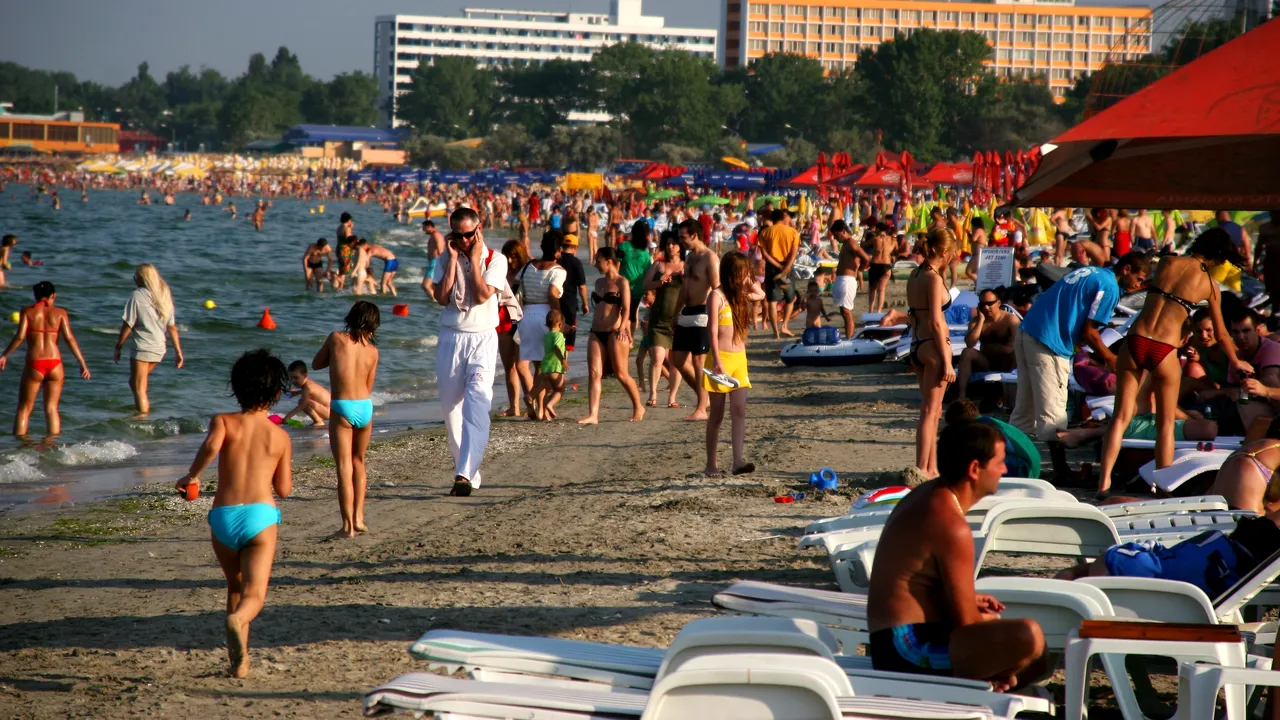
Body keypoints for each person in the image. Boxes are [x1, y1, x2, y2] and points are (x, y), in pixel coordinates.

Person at [867, 421, 1046, 687]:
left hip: (893, 640)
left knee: (1030, 654)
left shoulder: (929, 496)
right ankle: (995, 686)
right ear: (975, 469)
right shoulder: (950, 525)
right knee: (1029, 637)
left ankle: (998, 685)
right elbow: (967, 624)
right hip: (907, 648)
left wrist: (969, 599)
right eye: (1000, 462)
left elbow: (917, 584)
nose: (1005, 469)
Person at [1097, 230, 1252, 494]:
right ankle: (1163, 487)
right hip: (1164, 348)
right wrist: (1236, 361)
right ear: (1217, 256)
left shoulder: (1167, 262)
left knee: (1121, 418)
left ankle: (1103, 483)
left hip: (1134, 341)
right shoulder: (1210, 287)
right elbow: (1222, 333)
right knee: (1165, 424)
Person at [174, 349, 292, 678]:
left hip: (223, 517)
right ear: (277, 393)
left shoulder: (224, 421)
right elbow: (283, 489)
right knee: (253, 595)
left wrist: (192, 476)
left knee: (234, 587)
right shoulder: (280, 436)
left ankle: (238, 663)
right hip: (260, 517)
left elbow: (211, 446)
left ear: (236, 388)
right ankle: (239, 622)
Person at [1011, 253, 1150, 442]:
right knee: (1054, 413)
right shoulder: (1109, 287)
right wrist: (1110, 358)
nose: (1138, 286)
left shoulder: (1094, 272)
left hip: (1028, 330)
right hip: (1049, 341)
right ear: (1126, 270)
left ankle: (1015, 458)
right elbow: (1089, 332)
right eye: (1138, 279)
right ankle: (1060, 469)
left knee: (1025, 407)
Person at [431, 207, 508, 497]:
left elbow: (481, 294)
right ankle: (469, 469)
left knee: (478, 402)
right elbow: (441, 297)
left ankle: (463, 474)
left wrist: (474, 259)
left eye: (467, 235)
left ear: (478, 230)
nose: (463, 241)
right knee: (452, 416)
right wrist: (452, 260)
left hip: (483, 340)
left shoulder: (495, 260)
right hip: (451, 339)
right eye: (457, 235)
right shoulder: (444, 258)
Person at [312, 301, 380, 538]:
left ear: (351, 318)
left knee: (343, 466)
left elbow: (316, 364)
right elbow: (368, 386)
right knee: (358, 461)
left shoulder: (336, 338)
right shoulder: (373, 351)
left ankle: (347, 526)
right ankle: (359, 518)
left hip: (342, 406)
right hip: (365, 407)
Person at [0, 281, 91, 436]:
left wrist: (4, 355)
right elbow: (70, 339)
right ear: (53, 296)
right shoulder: (61, 313)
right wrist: (82, 363)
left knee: (24, 408)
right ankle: (52, 445)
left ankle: (19, 446)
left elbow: (19, 337)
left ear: (35, 296)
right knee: (51, 408)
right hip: (55, 364)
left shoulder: (27, 311)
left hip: (35, 363)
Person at [704, 251, 765, 477]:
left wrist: (748, 279)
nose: (744, 277)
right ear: (730, 273)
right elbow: (711, 331)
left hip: (739, 359)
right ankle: (711, 465)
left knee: (739, 410)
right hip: (720, 360)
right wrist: (717, 361)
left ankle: (737, 461)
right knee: (717, 415)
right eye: (740, 273)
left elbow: (760, 294)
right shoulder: (716, 296)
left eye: (746, 273)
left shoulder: (741, 295)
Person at [907, 228, 957, 478]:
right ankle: (923, 469)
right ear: (945, 252)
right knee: (930, 412)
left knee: (932, 411)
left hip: (917, 345)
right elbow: (937, 321)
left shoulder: (916, 275)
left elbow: (914, 314)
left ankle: (932, 467)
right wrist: (948, 362)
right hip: (933, 346)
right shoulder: (933, 279)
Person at [579, 247, 645, 424]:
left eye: (598, 260)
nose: (595, 264)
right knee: (594, 373)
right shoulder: (599, 282)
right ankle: (593, 415)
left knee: (621, 373)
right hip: (595, 331)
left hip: (615, 331)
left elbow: (627, 308)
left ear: (608, 261)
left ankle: (638, 406)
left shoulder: (622, 282)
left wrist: (623, 328)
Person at [114, 264, 184, 415]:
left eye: (135, 277)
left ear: (142, 278)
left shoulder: (137, 295)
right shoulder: (164, 295)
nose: (134, 280)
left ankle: (143, 420)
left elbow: (127, 324)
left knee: (139, 388)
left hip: (142, 347)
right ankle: (141, 413)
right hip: (159, 349)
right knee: (135, 384)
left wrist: (118, 346)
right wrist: (178, 352)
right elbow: (172, 327)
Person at [670, 220, 719, 422]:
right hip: (687, 311)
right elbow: (684, 287)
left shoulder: (710, 258)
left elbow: (717, 289)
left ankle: (701, 408)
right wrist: (675, 312)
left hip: (703, 312)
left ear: (695, 235)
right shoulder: (689, 258)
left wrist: (716, 318)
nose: (680, 241)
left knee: (699, 361)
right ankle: (704, 398)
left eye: (683, 237)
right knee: (678, 360)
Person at [515, 231, 567, 390]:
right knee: (545, 365)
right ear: (558, 251)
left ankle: (536, 406)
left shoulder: (527, 267)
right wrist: (558, 315)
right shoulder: (558, 270)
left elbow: (514, 284)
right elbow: (552, 293)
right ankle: (539, 407)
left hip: (526, 316)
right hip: (545, 315)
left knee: (535, 364)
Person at [642, 232, 685, 408]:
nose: (671, 246)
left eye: (674, 243)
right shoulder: (658, 264)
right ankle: (653, 394)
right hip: (659, 318)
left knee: (676, 361)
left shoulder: (686, 266)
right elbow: (644, 285)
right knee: (658, 357)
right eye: (668, 243)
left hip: (679, 319)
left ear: (681, 246)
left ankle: (672, 397)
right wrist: (658, 282)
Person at [955, 288, 1020, 400]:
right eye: (983, 304)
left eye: (990, 304)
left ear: (998, 303)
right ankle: (962, 395)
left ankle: (1011, 393)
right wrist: (980, 321)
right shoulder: (976, 321)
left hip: (1008, 362)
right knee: (967, 353)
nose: (986, 307)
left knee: (1017, 353)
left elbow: (1021, 344)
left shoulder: (1010, 320)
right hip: (987, 361)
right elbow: (970, 344)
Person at [497, 240, 532, 418]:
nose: (510, 261)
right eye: (507, 257)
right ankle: (514, 407)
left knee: (522, 366)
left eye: (514, 257)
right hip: (503, 320)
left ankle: (534, 405)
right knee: (508, 366)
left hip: (521, 321)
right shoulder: (500, 272)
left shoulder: (527, 272)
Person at [758, 209, 800, 339]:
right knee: (790, 298)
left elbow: (764, 254)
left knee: (772, 301)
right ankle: (785, 326)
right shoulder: (792, 232)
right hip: (787, 266)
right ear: (783, 217)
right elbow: (794, 252)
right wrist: (786, 267)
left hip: (772, 267)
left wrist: (778, 266)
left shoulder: (765, 232)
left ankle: (775, 331)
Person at [831, 219, 869, 340]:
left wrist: (861, 268)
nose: (835, 238)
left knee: (847, 313)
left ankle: (850, 339)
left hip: (847, 280)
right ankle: (849, 337)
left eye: (836, 235)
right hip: (843, 279)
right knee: (844, 312)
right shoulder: (847, 244)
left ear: (843, 231)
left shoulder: (851, 242)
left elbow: (866, 257)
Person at [531, 310, 568, 421]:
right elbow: (556, 347)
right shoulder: (559, 335)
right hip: (555, 367)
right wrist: (563, 360)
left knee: (549, 391)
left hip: (545, 367)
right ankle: (550, 405)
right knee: (560, 390)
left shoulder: (547, 335)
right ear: (560, 324)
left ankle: (546, 415)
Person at [616, 221, 652, 326]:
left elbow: (617, 267)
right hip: (638, 288)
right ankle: (630, 339)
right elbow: (647, 273)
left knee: (620, 315)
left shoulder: (622, 246)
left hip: (622, 288)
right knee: (631, 315)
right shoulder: (645, 253)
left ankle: (623, 339)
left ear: (633, 231)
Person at [557, 233, 589, 353]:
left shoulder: (556, 260)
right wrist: (585, 303)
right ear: (575, 248)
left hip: (554, 303)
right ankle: (562, 367)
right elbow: (581, 286)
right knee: (567, 343)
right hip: (570, 306)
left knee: (555, 334)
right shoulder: (576, 263)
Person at [281, 360, 330, 427]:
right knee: (304, 401)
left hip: (329, 412)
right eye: (291, 378)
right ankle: (318, 421)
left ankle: (318, 422)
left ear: (305, 375)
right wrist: (296, 393)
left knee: (303, 402)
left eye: (296, 377)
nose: (293, 381)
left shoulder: (307, 387)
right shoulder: (308, 385)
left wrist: (287, 418)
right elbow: (312, 392)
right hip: (331, 411)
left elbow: (302, 405)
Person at [866, 223, 896, 314]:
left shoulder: (875, 239)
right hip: (886, 265)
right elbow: (893, 249)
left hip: (875, 263)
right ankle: (879, 311)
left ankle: (871, 310)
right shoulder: (892, 239)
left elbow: (863, 244)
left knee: (873, 289)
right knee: (882, 289)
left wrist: (864, 235)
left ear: (879, 229)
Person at [420, 219, 447, 297]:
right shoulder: (433, 235)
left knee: (425, 286)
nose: (423, 230)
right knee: (433, 287)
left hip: (435, 263)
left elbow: (441, 250)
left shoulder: (436, 235)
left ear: (429, 227)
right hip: (433, 262)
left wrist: (441, 265)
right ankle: (435, 305)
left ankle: (435, 302)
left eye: (424, 227)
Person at [334, 212, 355, 289]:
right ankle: (340, 285)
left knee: (342, 269)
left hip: (339, 248)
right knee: (345, 269)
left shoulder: (339, 227)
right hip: (345, 249)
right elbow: (349, 239)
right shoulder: (346, 228)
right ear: (349, 219)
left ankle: (340, 286)